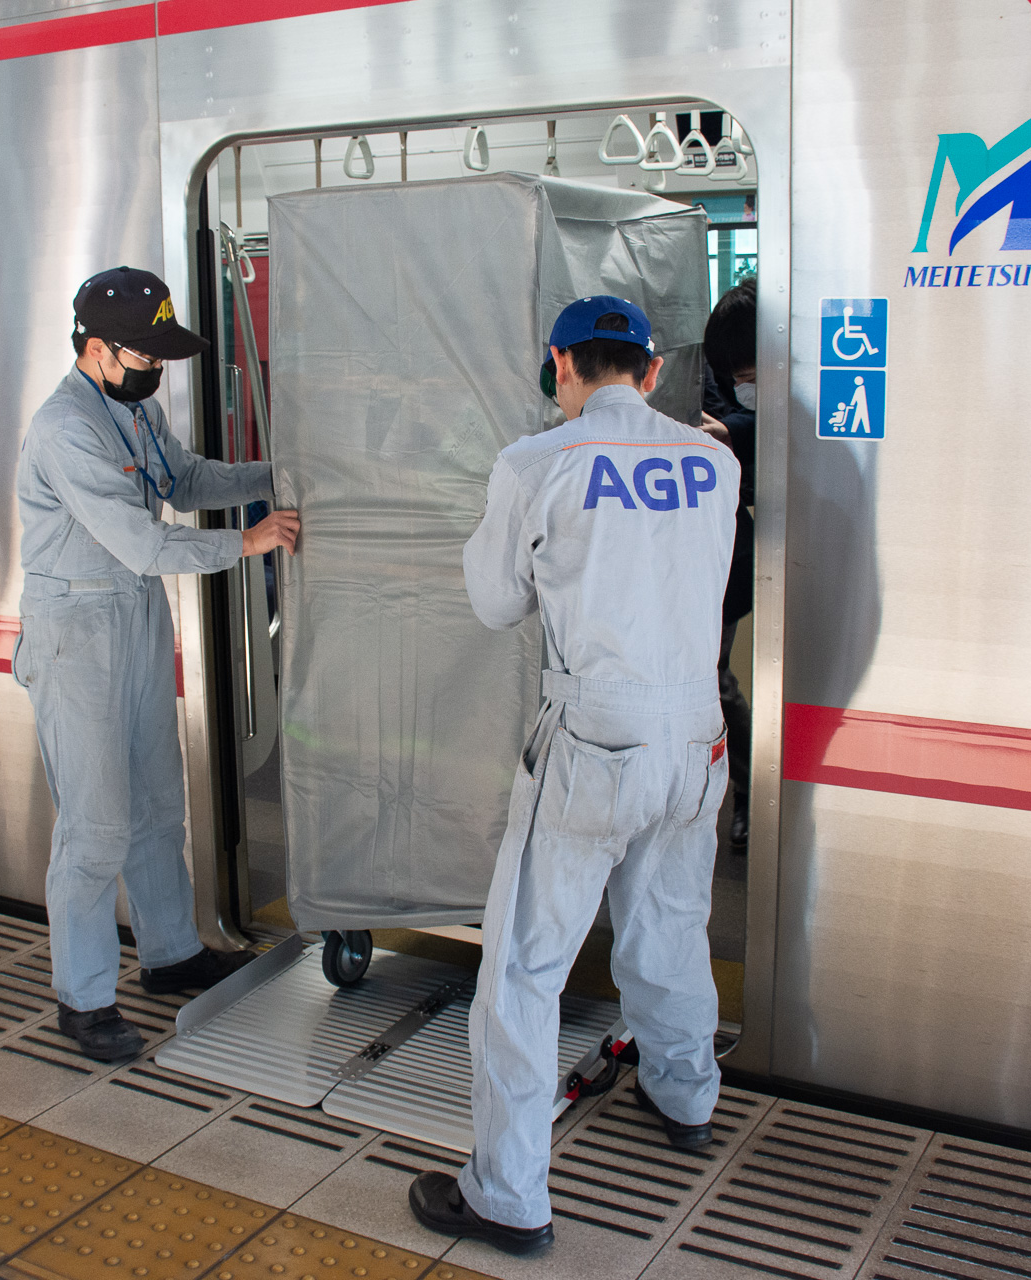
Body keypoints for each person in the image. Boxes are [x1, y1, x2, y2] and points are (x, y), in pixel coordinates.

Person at [409, 296, 740, 1256]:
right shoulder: (713, 461)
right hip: (697, 741)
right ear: (648, 371)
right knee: (671, 927)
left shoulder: (533, 464)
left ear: (562, 365)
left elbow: (494, 602)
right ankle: (685, 1099)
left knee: (524, 965)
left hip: (595, 740)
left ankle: (508, 1196)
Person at [14, 266, 299, 1061]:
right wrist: (248, 542)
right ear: (97, 350)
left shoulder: (133, 406)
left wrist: (274, 478)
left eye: (163, 358)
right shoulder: (64, 429)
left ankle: (171, 954)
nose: (158, 370)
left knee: (158, 800)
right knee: (96, 823)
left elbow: (185, 479)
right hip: (76, 629)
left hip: (132, 614)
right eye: (145, 358)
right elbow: (142, 540)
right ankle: (84, 998)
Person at [701, 279, 756, 851]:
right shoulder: (706, 367)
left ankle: (752, 790)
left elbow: (755, 428)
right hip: (681, 561)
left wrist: (727, 434)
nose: (742, 384)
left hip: (730, 553)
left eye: (748, 372)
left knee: (715, 682)